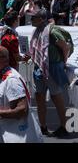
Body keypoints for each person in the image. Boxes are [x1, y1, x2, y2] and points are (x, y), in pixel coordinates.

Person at [27, 9, 72, 137]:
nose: (31, 20)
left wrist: (64, 62)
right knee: (40, 97)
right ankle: (43, 127)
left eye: (33, 18)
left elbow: (65, 47)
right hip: (39, 68)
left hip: (52, 68)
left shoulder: (52, 31)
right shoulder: (36, 31)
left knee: (56, 97)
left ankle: (64, 126)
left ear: (41, 19)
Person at [0, 46, 43, 143]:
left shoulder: (11, 80)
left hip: (17, 136)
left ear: (3, 59)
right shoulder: (4, 76)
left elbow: (22, 110)